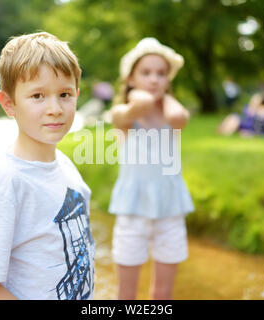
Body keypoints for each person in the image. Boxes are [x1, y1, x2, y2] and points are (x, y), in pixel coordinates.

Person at [0, 32, 95, 300]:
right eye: (38, 96)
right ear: (9, 104)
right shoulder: (5, 184)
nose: (55, 108)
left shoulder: (65, 167)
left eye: (64, 94)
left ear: (76, 95)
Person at [108, 37, 194, 300]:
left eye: (161, 74)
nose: (155, 79)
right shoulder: (124, 114)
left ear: (169, 81)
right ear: (130, 78)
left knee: (163, 293)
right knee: (127, 294)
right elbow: (136, 107)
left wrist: (162, 95)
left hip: (170, 209)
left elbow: (180, 118)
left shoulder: (172, 113)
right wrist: (137, 95)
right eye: (146, 73)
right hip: (132, 210)